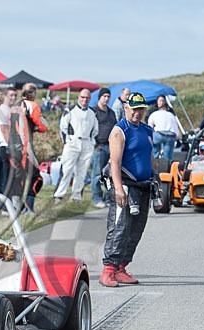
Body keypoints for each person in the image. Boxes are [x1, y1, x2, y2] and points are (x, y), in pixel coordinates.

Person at [100, 92, 154, 288]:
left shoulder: (147, 130)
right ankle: (108, 270)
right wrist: (118, 189)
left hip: (144, 185)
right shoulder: (119, 131)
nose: (137, 113)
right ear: (126, 108)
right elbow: (115, 163)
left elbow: (149, 156)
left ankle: (121, 267)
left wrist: (155, 176)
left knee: (136, 229)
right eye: (134, 109)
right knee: (119, 227)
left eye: (141, 109)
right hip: (125, 185)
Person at [54, 88, 98, 203]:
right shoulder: (70, 110)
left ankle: (77, 196)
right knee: (66, 170)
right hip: (72, 142)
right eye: (82, 97)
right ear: (79, 97)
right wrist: (67, 141)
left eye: (87, 98)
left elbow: (95, 130)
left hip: (87, 143)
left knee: (82, 172)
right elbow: (63, 127)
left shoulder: (92, 113)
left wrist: (91, 142)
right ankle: (59, 195)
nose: (85, 100)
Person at [19, 83, 48, 212]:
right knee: (37, 178)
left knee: (19, 179)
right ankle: (28, 207)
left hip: (11, 146)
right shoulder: (33, 106)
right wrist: (36, 127)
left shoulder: (14, 106)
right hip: (25, 146)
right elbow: (43, 126)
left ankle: (17, 208)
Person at [90, 87, 117, 208]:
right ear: (99, 97)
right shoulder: (93, 111)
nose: (106, 99)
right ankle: (97, 198)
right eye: (104, 96)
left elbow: (115, 129)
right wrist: (94, 145)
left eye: (108, 97)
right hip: (98, 146)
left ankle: (108, 198)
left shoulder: (111, 113)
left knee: (110, 174)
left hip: (110, 146)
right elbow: (89, 129)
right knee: (97, 174)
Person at [147, 95, 181, 161]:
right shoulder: (171, 114)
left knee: (154, 149)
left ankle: (155, 158)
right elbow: (176, 127)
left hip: (159, 134)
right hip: (170, 136)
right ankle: (167, 163)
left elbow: (150, 127)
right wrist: (177, 136)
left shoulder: (154, 114)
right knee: (168, 156)